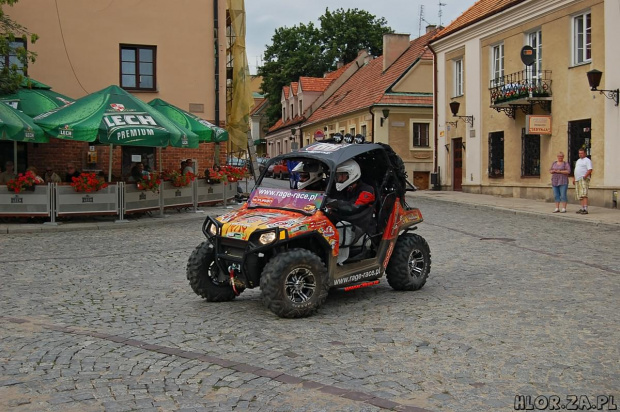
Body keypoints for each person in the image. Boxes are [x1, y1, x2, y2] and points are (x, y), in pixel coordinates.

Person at [324, 159, 376, 264]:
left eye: (342, 176)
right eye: (338, 176)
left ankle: (339, 262)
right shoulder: (345, 189)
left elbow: (354, 207)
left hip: (362, 226)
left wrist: (336, 204)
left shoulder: (367, 190)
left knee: (342, 226)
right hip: (350, 221)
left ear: (351, 175)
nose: (339, 179)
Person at [573, 148, 593, 214]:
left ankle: (585, 208)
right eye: (579, 153)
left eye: (581, 153)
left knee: (584, 194)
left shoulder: (587, 160)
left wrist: (585, 176)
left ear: (585, 153)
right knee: (580, 195)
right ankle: (582, 208)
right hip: (577, 179)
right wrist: (574, 178)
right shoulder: (578, 160)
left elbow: (590, 169)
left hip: (583, 179)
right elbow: (576, 170)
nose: (580, 154)